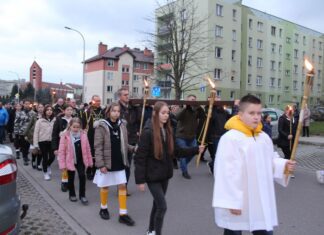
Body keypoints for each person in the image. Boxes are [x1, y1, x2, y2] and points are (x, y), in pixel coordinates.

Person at [212, 95, 296, 235]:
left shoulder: (262, 137)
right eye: (251, 113)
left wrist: (284, 165)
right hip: (239, 197)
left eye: (259, 113)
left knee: (263, 229)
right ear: (240, 114)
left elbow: (270, 159)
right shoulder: (230, 139)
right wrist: (231, 202)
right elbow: (225, 172)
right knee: (234, 230)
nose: (256, 117)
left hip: (259, 197)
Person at [135, 101, 205, 235]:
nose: (166, 116)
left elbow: (177, 152)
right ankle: (157, 232)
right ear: (155, 114)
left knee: (157, 205)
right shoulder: (148, 132)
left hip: (164, 175)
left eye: (167, 113)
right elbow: (140, 158)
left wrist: (196, 149)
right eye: (163, 113)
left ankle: (150, 230)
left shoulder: (169, 130)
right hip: (152, 176)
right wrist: (140, 181)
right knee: (162, 206)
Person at [93, 102, 136, 225]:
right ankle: (103, 208)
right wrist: (101, 164)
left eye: (118, 111)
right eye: (114, 111)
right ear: (108, 112)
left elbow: (124, 143)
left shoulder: (122, 125)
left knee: (122, 186)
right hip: (107, 162)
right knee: (105, 186)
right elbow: (98, 146)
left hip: (119, 161)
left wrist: (133, 148)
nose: (116, 113)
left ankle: (123, 214)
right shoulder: (102, 126)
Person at [58, 118, 93, 204]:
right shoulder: (65, 136)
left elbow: (88, 149)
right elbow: (61, 151)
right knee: (71, 178)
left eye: (78, 127)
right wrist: (62, 165)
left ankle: (82, 195)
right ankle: (72, 194)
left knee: (82, 176)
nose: (76, 129)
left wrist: (90, 161)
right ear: (70, 126)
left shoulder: (83, 135)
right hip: (70, 160)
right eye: (74, 127)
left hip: (81, 160)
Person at [175, 94, 205, 179]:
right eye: (191, 100)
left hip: (192, 136)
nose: (193, 102)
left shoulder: (196, 110)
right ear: (187, 101)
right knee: (184, 154)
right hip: (181, 136)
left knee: (194, 151)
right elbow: (177, 117)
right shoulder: (182, 109)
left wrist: (199, 107)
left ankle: (182, 163)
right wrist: (185, 108)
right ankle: (184, 171)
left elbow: (204, 117)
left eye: (194, 100)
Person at [117, 88, 141, 193]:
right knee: (120, 165)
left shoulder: (133, 108)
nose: (127, 96)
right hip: (119, 140)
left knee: (127, 165)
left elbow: (139, 120)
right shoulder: (116, 108)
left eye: (128, 94)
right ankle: (119, 185)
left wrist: (138, 107)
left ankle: (123, 187)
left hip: (131, 140)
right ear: (120, 96)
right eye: (125, 95)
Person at [81, 95, 105, 180]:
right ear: (92, 101)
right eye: (96, 101)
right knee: (90, 153)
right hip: (90, 136)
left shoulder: (102, 111)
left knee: (98, 153)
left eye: (99, 101)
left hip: (100, 135)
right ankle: (88, 171)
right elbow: (83, 125)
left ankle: (95, 171)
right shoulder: (87, 112)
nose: (98, 102)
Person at [52, 105, 73, 191]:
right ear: (64, 111)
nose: (70, 111)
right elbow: (54, 134)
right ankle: (64, 181)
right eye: (68, 109)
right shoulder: (59, 120)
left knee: (71, 164)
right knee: (64, 164)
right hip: (62, 145)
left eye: (71, 110)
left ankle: (69, 181)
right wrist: (55, 148)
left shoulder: (75, 120)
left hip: (72, 145)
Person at [33, 105, 56, 180]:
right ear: (45, 111)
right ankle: (45, 173)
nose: (49, 111)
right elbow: (36, 133)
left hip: (52, 141)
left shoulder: (55, 120)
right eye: (47, 110)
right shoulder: (40, 121)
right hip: (42, 141)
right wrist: (36, 145)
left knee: (52, 157)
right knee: (45, 157)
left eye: (51, 110)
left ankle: (48, 165)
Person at [14, 100, 36, 165]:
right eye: (26, 104)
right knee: (23, 145)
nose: (27, 105)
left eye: (28, 104)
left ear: (30, 104)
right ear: (23, 105)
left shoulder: (33, 113)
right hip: (22, 132)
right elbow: (16, 123)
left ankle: (25, 155)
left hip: (30, 133)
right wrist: (16, 132)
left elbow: (35, 123)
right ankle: (25, 157)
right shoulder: (20, 113)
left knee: (28, 145)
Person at [25, 103, 44, 170]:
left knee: (41, 151)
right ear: (37, 108)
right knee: (35, 151)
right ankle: (33, 161)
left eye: (42, 107)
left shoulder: (45, 116)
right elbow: (29, 125)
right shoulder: (34, 116)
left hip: (42, 136)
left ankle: (39, 164)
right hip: (34, 135)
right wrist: (26, 134)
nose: (40, 108)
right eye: (39, 107)